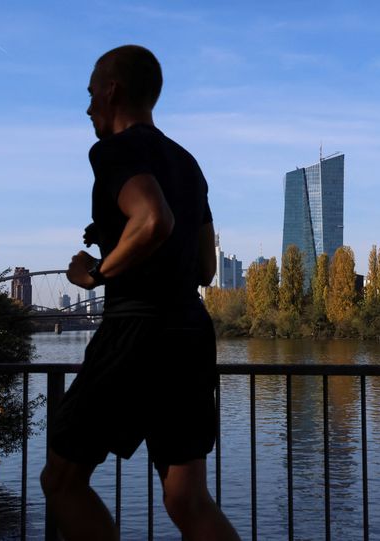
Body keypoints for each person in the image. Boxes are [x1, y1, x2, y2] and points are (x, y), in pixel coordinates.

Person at [40, 45, 240, 541]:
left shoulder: (113, 150)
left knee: (62, 480)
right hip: (189, 334)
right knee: (186, 499)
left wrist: (98, 272)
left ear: (112, 90)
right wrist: (111, 228)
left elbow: (152, 219)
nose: (87, 108)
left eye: (90, 94)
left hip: (135, 331)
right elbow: (205, 267)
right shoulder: (188, 163)